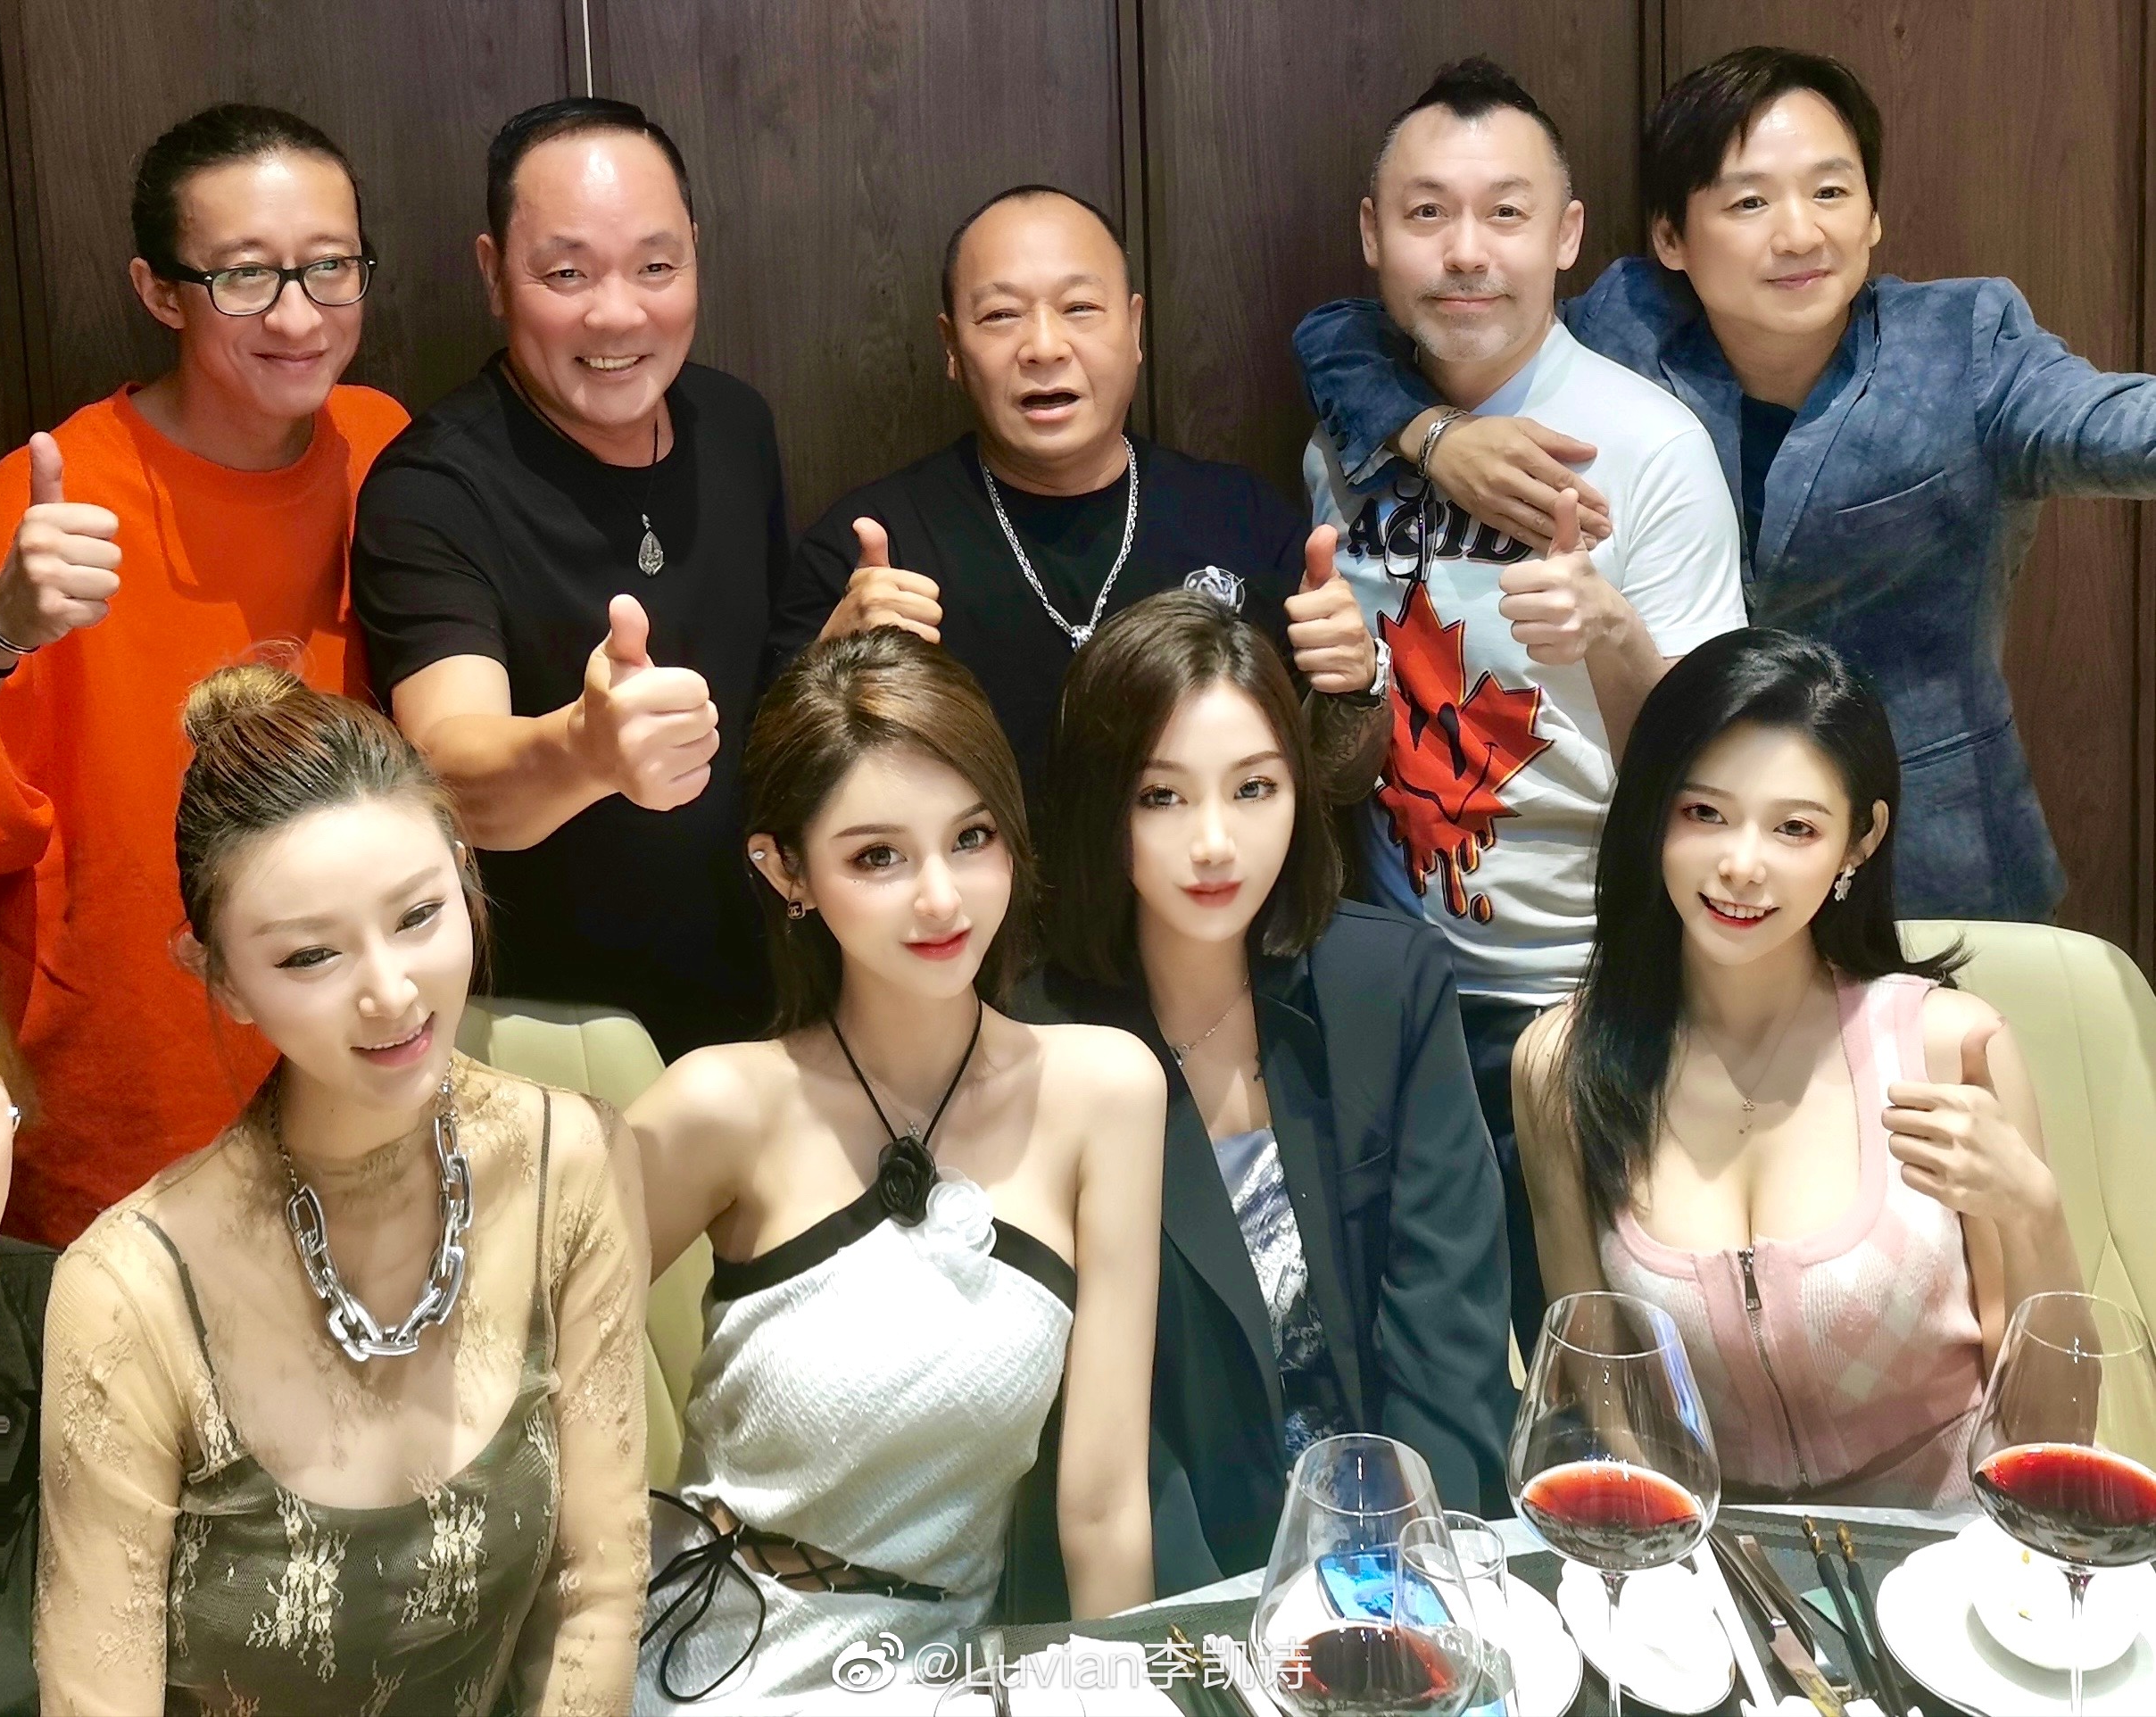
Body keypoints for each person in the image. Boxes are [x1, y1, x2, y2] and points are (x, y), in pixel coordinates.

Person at [1298, 46, 2156, 924]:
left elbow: (2114, 426)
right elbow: (1344, 335)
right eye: (1750, 201)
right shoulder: (1627, 326)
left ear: (1873, 216)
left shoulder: (1962, 347)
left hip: (1928, 856)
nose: (1799, 235)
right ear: (1671, 238)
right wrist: (1436, 437)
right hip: (1707, 878)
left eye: (1831, 192)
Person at [35, 666, 648, 1714]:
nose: (391, 990)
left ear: (464, 876)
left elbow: (596, 1590)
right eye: (311, 954)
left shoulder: (569, 1159)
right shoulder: (129, 1292)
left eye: (419, 914)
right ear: (219, 976)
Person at [625, 629, 1162, 1705]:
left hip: (946, 1676)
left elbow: (1104, 1509)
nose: (942, 898)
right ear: (786, 870)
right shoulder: (724, 1103)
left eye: (972, 836)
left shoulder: (1106, 1091)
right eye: (878, 856)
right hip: (711, 1668)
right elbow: (515, 1366)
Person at [1306, 58, 1747, 1348]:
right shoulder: (1344, 448)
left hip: (1597, 998)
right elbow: (1353, 747)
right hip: (1396, 998)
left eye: (1506, 213)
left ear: (1565, 236)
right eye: (1427, 213)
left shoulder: (1647, 447)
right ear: (1372, 234)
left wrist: (1610, 636)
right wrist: (1329, 683)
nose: (1465, 252)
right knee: (1428, 1369)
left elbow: (1724, 778)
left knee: (1608, 1369)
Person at [1514, 629, 2083, 1505]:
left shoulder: (1949, 1052)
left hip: (1953, 1557)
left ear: (1859, 841)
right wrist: (1683, 1558)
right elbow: (1599, 1374)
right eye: (1704, 813)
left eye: (1794, 828)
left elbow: (2054, 1435)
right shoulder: (1562, 1067)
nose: (1741, 865)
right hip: (1706, 1559)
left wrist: (2034, 1212)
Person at [1021, 590, 1513, 1591]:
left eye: (1253, 788)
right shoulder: (1039, 1042)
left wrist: (1414, 1576)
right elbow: (1104, 1427)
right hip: (1187, 1576)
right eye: (1162, 797)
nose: (1215, 842)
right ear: (1100, 805)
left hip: (1407, 1547)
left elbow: (1449, 1328)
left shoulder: (1387, 984)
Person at [0, 104, 408, 1245]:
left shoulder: (386, 448)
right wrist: (2, 632)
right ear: (159, 291)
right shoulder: (44, 504)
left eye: (330, 267)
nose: (297, 315)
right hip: (124, 1146)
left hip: (366, 1096)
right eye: (243, 276)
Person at [354, 96, 784, 1059]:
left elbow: (757, 697)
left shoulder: (736, 425)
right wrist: (586, 752)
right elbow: (449, 769)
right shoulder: (432, 488)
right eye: (566, 273)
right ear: (492, 274)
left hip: (757, 1007)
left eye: (656, 266)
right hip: (547, 1038)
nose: (618, 312)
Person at [771, 183, 1387, 801]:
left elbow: (1340, 784)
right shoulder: (871, 552)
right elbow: (776, 797)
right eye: (1000, 315)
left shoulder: (1244, 519)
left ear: (1135, 327)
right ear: (952, 347)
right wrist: (828, 670)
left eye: (1080, 307)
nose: (1044, 347)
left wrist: (1355, 686)